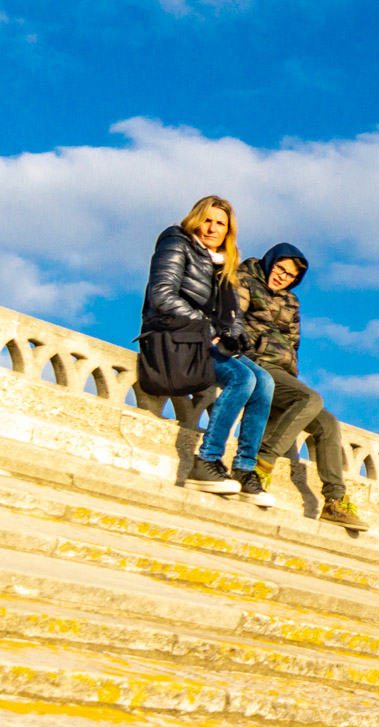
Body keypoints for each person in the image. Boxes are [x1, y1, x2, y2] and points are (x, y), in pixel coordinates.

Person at [142, 196, 273, 500]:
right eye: (208, 220)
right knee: (243, 379)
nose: (213, 228)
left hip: (202, 339)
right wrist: (208, 327)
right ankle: (206, 461)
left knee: (264, 382)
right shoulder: (176, 244)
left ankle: (243, 468)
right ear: (195, 220)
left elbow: (232, 315)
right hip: (172, 337)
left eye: (221, 224)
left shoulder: (224, 263)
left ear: (229, 231)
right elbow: (162, 296)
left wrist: (236, 336)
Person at [237, 243, 367, 532]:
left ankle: (335, 500)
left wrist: (290, 372)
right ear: (270, 262)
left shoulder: (291, 302)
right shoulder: (244, 280)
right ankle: (261, 465)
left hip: (281, 372)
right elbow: (234, 320)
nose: (283, 277)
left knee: (328, 423)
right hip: (253, 362)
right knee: (311, 399)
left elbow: (293, 342)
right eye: (280, 269)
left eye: (290, 276)